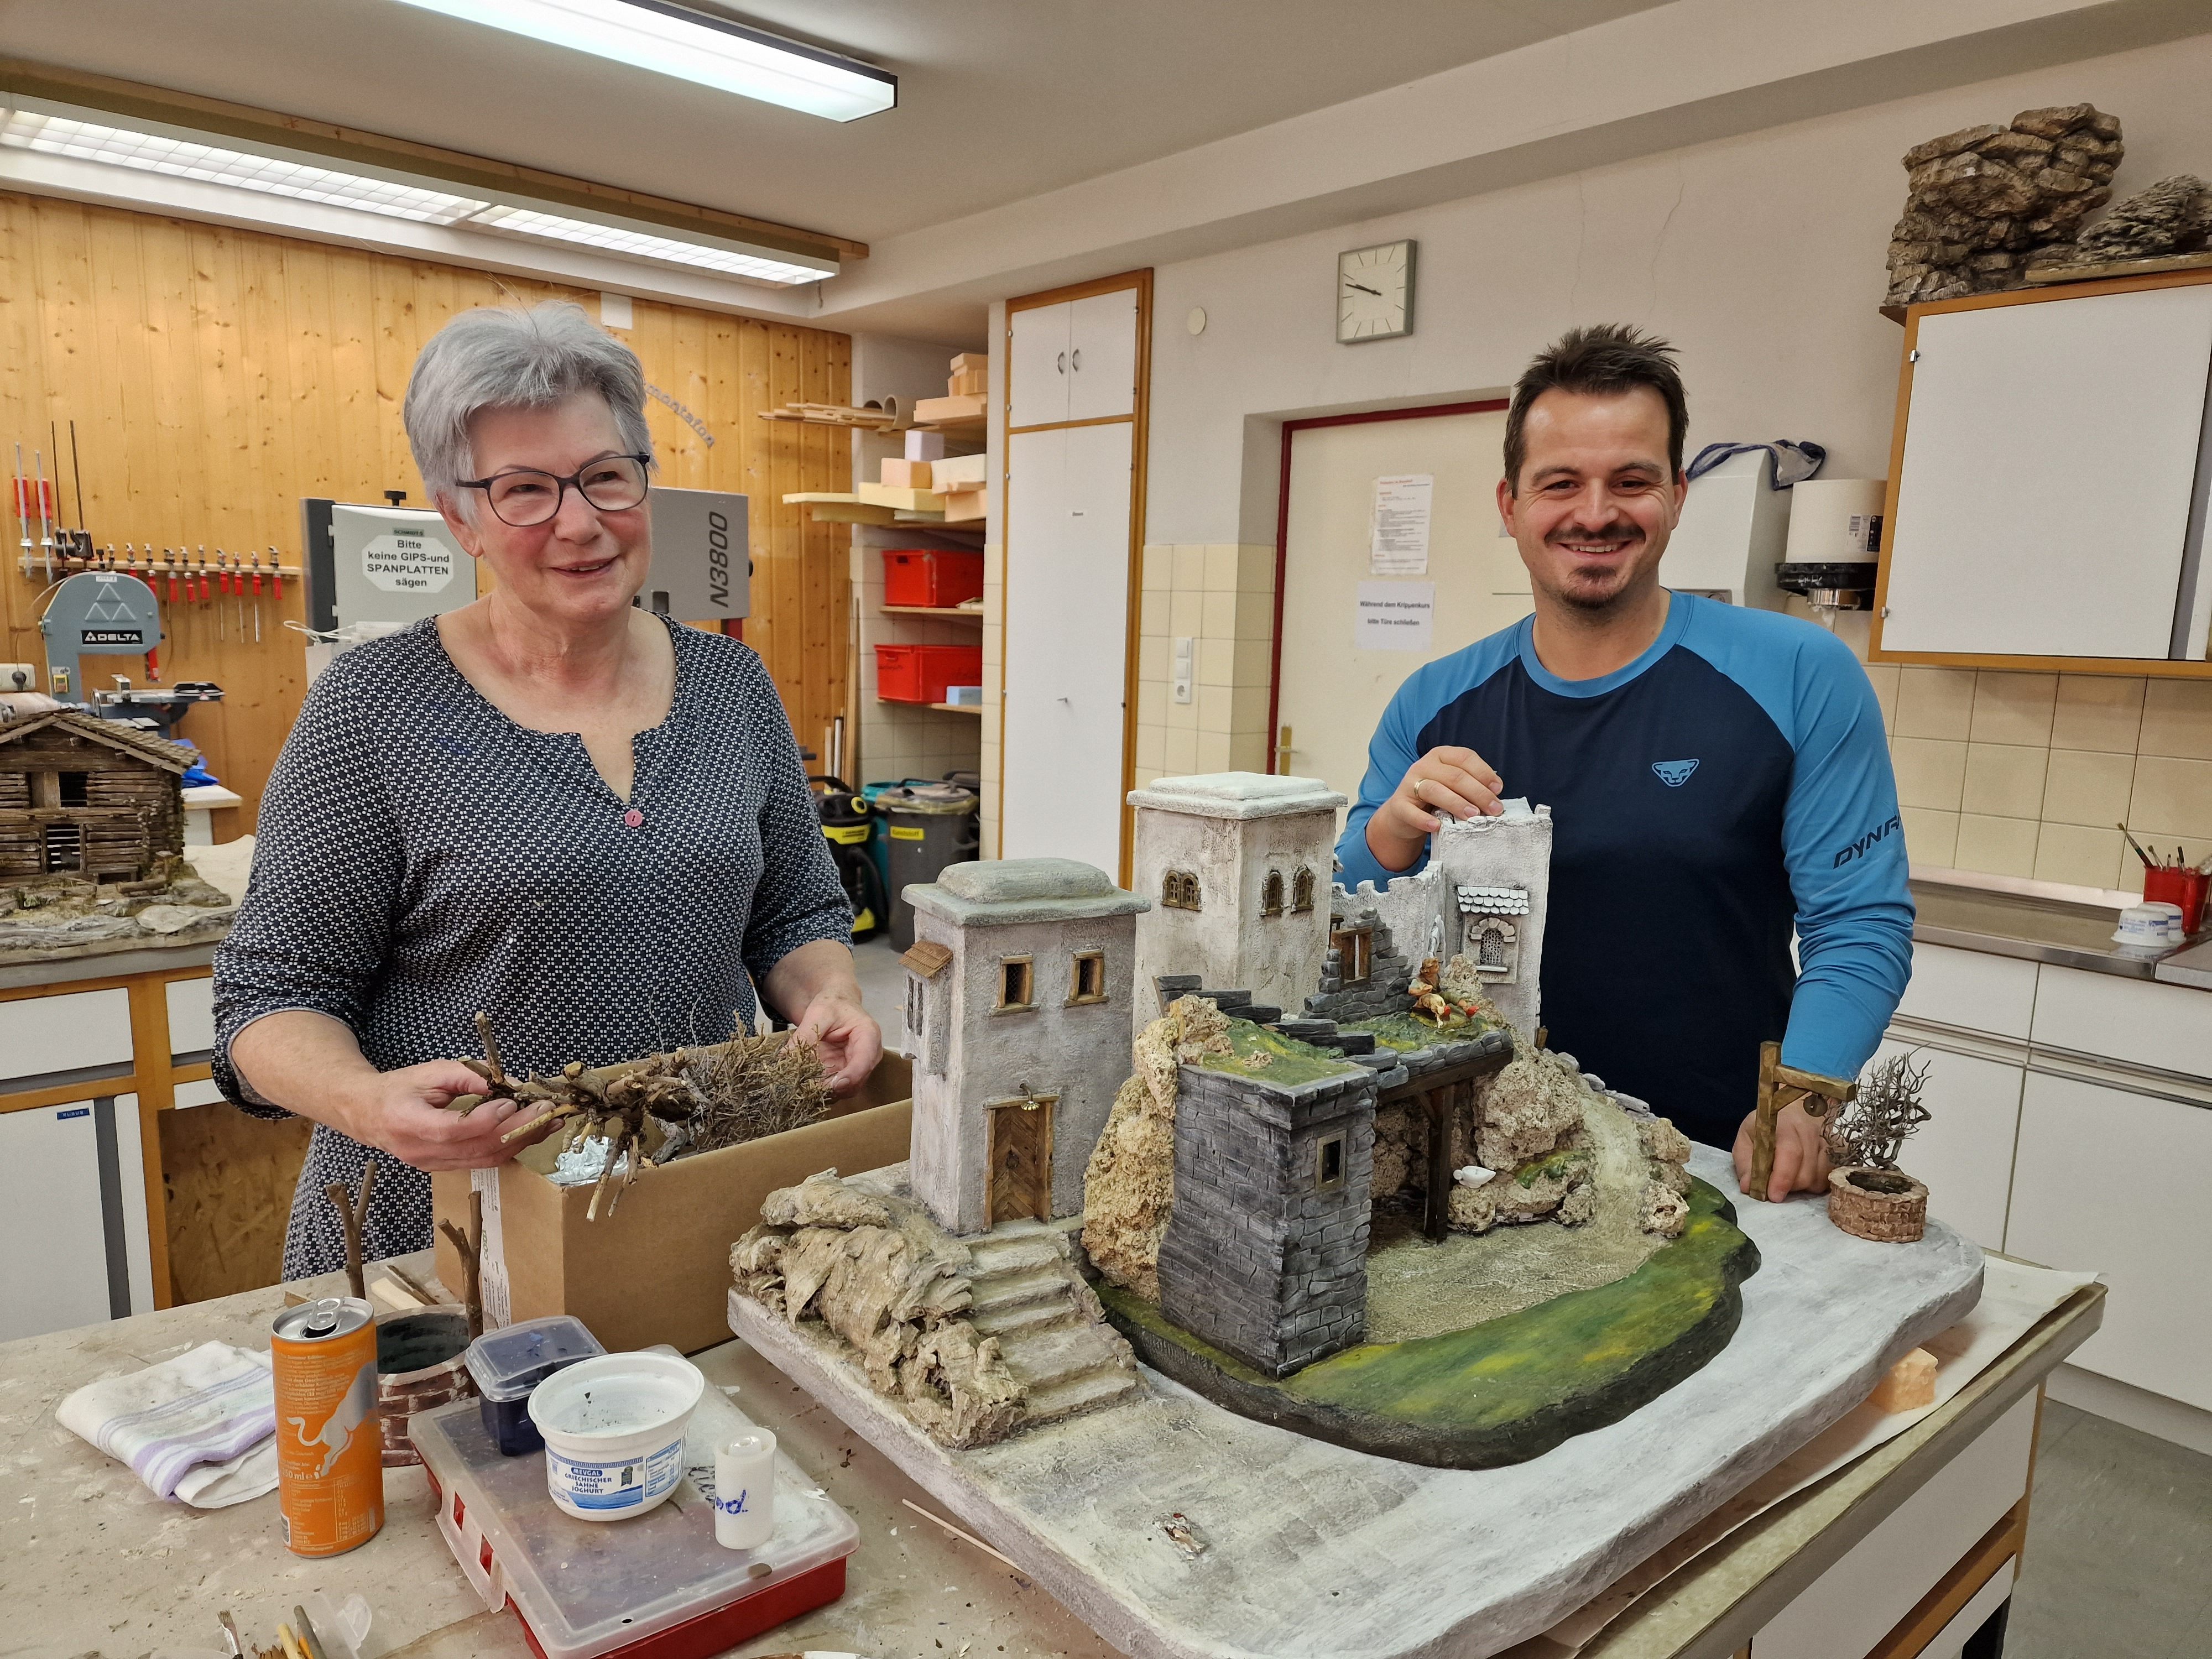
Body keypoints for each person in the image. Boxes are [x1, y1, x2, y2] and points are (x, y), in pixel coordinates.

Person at [215, 301, 878, 1279]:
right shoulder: (375, 709)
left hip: (672, 1205)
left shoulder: (732, 687)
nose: (581, 522)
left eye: (606, 477)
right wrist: (367, 1102)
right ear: (460, 518)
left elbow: (795, 914)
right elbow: (271, 1001)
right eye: (524, 489)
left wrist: (831, 994)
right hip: (442, 1239)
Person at [1335, 324, 1911, 1201]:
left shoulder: (1798, 675)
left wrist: (1804, 1090)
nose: (1596, 513)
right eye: (1560, 483)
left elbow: (1861, 923)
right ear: (1509, 505)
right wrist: (1387, 830)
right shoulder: (1434, 701)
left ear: (1677, 497)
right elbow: (1342, 905)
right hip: (1479, 1155)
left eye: (1632, 482)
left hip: (1711, 1160)